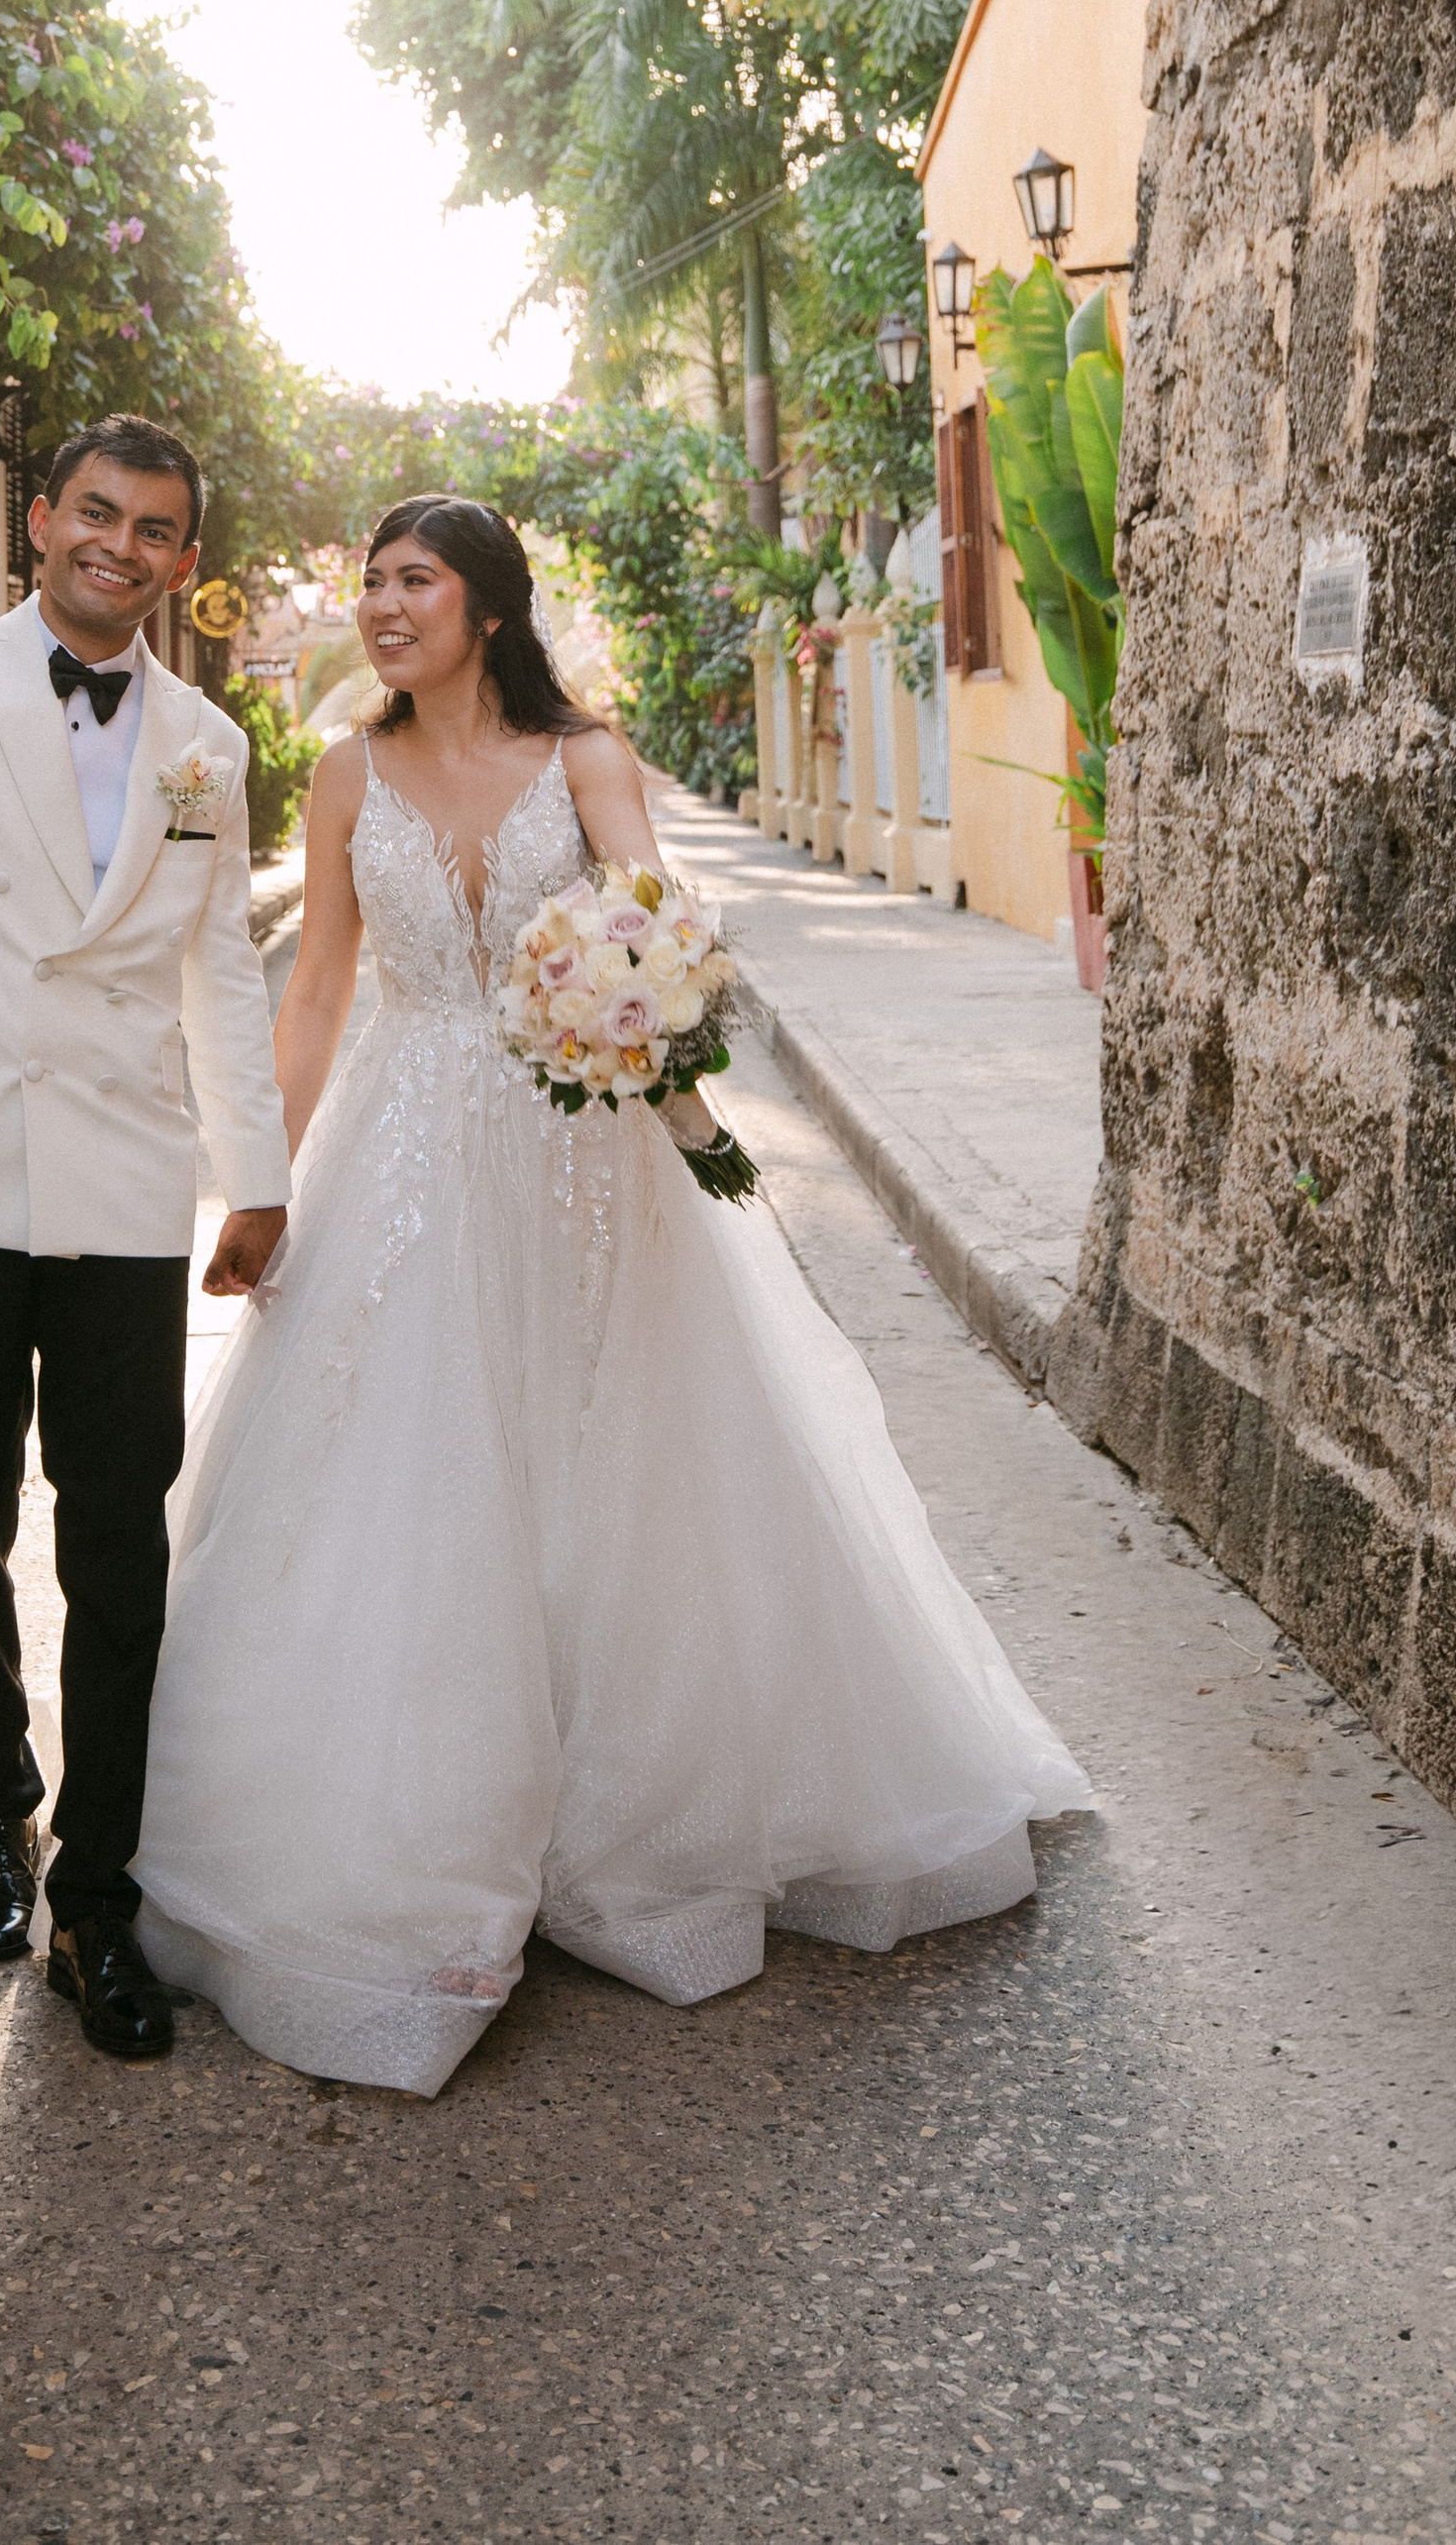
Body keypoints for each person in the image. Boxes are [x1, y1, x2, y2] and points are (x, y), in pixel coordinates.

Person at [134, 493, 1091, 2096]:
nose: (382, 606)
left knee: (615, 1466)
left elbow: (653, 940)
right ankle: (425, 1836)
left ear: (487, 609)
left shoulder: (586, 760)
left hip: (580, 1150)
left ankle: (627, 1821)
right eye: (370, 583)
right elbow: (315, 990)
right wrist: (262, 1180)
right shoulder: (349, 770)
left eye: (413, 581)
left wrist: (659, 1045)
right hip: (404, 1152)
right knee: (412, 1471)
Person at [0, 415, 289, 2062]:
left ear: (180, 563)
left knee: (120, 1535)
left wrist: (259, 1172)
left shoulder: (207, 745)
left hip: (121, 1181)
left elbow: (220, 968)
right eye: (99, 512)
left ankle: (99, 1894)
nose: (122, 545)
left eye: (156, 528)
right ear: (40, 522)